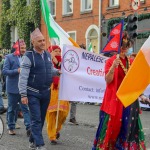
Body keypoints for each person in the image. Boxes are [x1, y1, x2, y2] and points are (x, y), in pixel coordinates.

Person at [92, 31, 146, 150]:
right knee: (113, 128)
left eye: (127, 46)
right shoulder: (111, 61)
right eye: (123, 46)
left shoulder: (131, 61)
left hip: (128, 101)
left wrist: (141, 95)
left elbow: (134, 82)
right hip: (114, 101)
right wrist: (112, 67)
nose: (125, 48)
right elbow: (108, 80)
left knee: (128, 129)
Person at [18, 28, 61, 150]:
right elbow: (23, 76)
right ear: (33, 42)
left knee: (41, 119)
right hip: (33, 93)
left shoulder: (47, 55)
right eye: (39, 41)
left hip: (46, 92)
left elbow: (49, 70)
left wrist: (58, 72)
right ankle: (39, 144)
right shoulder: (28, 56)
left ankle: (32, 139)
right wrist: (23, 94)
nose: (43, 42)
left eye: (43, 40)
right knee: (36, 119)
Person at [2, 39, 31, 136]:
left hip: (23, 88)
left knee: (25, 109)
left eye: (25, 48)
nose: (23, 50)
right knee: (11, 109)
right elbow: (5, 71)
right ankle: (11, 126)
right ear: (17, 48)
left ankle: (29, 128)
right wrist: (16, 70)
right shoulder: (9, 57)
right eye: (22, 48)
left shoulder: (27, 57)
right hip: (13, 88)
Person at [46, 45, 70, 145]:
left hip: (63, 89)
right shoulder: (46, 61)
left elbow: (69, 71)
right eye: (55, 51)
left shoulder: (66, 62)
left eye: (59, 51)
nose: (57, 53)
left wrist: (58, 63)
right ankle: (52, 136)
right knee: (51, 113)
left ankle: (56, 129)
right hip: (51, 89)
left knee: (63, 113)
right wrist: (51, 61)